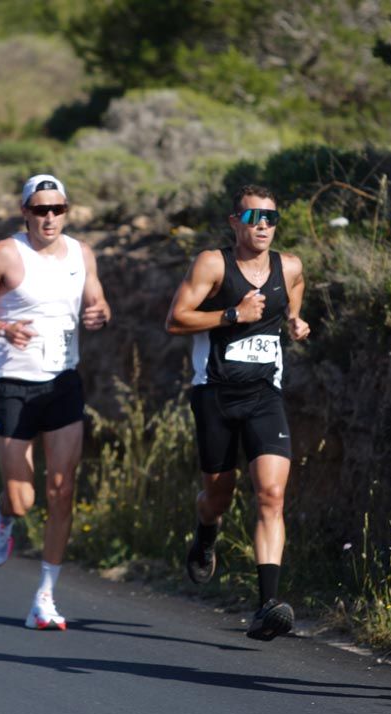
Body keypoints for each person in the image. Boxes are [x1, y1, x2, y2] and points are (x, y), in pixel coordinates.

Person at [0, 173, 110, 631]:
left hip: (62, 382)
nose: (49, 217)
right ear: (24, 212)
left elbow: (97, 302)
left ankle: (45, 596)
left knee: (63, 490)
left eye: (57, 209)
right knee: (23, 500)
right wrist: (4, 328)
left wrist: (100, 313)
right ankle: (2, 516)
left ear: (67, 211)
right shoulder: (6, 253)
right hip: (12, 385)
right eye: (40, 209)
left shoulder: (82, 254)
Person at [164, 185, 310, 641]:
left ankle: (267, 604)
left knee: (270, 494)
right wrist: (233, 314)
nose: (263, 225)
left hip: (265, 395)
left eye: (270, 217)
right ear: (235, 223)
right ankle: (205, 534)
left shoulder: (289, 266)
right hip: (216, 395)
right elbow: (175, 320)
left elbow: (296, 290)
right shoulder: (213, 264)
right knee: (218, 496)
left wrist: (294, 321)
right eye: (253, 218)